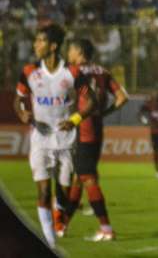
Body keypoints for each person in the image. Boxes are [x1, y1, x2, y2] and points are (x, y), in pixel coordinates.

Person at [13, 24, 95, 249]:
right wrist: (22, 113)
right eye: (36, 40)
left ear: (53, 46)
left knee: (65, 192)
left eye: (40, 41)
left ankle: (60, 210)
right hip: (40, 139)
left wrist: (75, 120)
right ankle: (49, 241)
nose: (35, 45)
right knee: (43, 190)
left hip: (66, 141)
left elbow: (91, 100)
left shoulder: (72, 73)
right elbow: (18, 99)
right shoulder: (30, 72)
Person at [63, 37, 128, 242]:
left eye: (71, 50)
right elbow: (122, 98)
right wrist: (104, 112)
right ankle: (62, 225)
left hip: (82, 128)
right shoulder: (103, 72)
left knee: (87, 177)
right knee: (79, 177)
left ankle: (106, 228)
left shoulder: (74, 71)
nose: (68, 54)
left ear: (79, 53)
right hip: (97, 128)